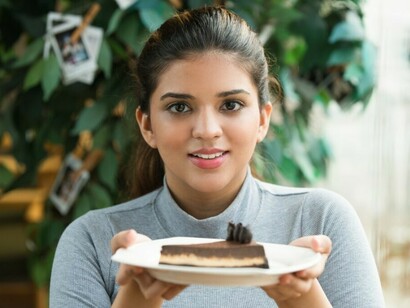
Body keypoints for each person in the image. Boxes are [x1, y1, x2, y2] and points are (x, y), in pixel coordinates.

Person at [49, 6, 385, 308]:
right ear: (147, 125)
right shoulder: (91, 242)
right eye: (179, 107)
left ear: (263, 119)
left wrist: (300, 296)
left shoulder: (321, 222)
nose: (207, 130)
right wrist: (138, 295)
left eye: (231, 105)